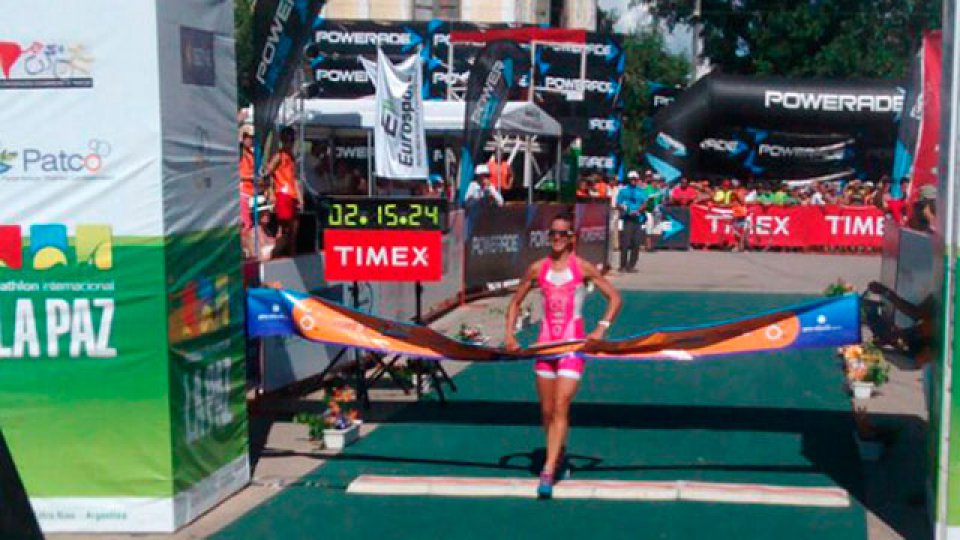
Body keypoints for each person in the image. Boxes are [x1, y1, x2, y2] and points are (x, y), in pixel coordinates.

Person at [504, 213, 622, 499]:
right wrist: (509, 334)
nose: (557, 239)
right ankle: (558, 454)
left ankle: (547, 469)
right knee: (546, 411)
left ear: (572, 238)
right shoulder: (537, 269)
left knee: (561, 404)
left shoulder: (581, 267)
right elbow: (515, 301)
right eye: (553, 234)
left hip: (573, 347)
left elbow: (615, 298)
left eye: (562, 234)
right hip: (545, 347)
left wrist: (601, 329)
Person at [263, 126, 301, 258]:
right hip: (283, 194)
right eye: (287, 140)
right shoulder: (279, 156)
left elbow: (294, 179)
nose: (289, 143)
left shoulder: (291, 157)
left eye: (291, 140)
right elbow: (267, 173)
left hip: (292, 195)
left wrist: (300, 198)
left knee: (293, 229)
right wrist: (271, 192)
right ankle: (273, 255)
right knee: (284, 228)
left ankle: (291, 254)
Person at [616, 172, 647, 272]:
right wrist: (624, 208)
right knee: (625, 243)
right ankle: (622, 265)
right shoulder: (623, 190)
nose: (633, 180)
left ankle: (631, 266)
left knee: (636, 243)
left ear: (637, 179)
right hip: (627, 219)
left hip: (638, 219)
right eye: (631, 178)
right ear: (629, 179)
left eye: (635, 178)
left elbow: (644, 203)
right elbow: (618, 203)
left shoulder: (641, 191)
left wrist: (638, 211)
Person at [238, 126, 256, 258]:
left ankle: (249, 252)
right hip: (242, 191)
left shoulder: (251, 153)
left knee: (250, 224)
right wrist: (250, 177)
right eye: (248, 137)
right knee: (245, 225)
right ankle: (248, 253)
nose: (250, 140)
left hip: (251, 192)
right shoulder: (239, 153)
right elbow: (236, 174)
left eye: (251, 138)